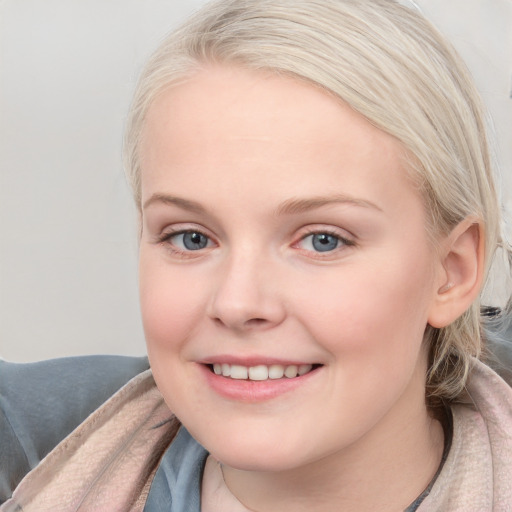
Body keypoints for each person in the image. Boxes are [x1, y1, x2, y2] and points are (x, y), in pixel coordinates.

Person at [1, 0, 511, 510]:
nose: (238, 303)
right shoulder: (34, 453)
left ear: (452, 272)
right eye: (191, 237)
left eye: (322, 240)